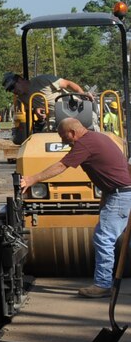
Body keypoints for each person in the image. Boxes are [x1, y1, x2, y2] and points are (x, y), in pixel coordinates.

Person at [19, 118, 131, 298]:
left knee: (103, 238)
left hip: (121, 195)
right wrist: (105, 198)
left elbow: (61, 165)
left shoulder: (85, 143)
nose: (63, 141)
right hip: (120, 193)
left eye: (63, 137)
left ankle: (103, 284)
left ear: (72, 132)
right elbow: (114, 171)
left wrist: (33, 179)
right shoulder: (98, 138)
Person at [2, 72, 92, 126]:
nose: (13, 91)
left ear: (20, 80)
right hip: (54, 120)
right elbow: (31, 110)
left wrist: (83, 94)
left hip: (75, 111)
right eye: (10, 90)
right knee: (43, 139)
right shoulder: (22, 98)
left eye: (13, 87)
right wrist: (36, 111)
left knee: (92, 130)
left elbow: (67, 84)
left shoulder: (42, 80)